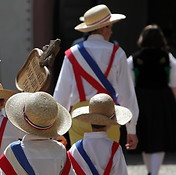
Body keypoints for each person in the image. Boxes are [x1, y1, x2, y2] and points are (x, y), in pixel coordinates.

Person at [53, 4, 139, 150]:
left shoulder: (72, 54)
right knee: (108, 166)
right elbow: (127, 93)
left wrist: (57, 128)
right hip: (109, 115)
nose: (111, 31)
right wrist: (131, 129)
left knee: (81, 166)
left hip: (79, 115)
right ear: (102, 28)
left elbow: (62, 92)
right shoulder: (117, 53)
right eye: (110, 27)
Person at [127, 24, 176, 175]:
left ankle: (151, 173)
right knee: (159, 135)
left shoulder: (133, 58)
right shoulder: (168, 57)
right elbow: (174, 83)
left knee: (145, 134)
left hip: (141, 98)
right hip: (163, 98)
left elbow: (129, 83)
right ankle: (153, 173)